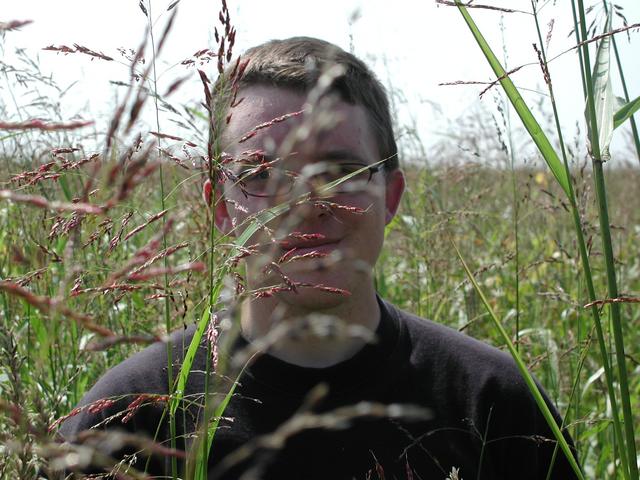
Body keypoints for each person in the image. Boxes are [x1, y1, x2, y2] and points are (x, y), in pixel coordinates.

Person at [57, 37, 578, 480]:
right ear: (219, 205)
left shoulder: (496, 405)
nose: (303, 207)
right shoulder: (127, 423)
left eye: (342, 173)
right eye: (260, 175)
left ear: (391, 196)